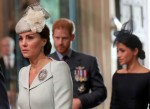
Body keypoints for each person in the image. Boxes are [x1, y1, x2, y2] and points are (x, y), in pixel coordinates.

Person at [15, 4, 73, 109]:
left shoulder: (58, 68)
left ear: (43, 41)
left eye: (30, 38)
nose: (23, 43)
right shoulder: (22, 72)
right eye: (20, 38)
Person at [50, 18, 107, 109]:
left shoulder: (89, 61)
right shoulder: (44, 62)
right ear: (52, 37)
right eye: (57, 38)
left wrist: (81, 101)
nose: (60, 42)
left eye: (64, 38)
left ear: (72, 37)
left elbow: (101, 92)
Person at [110, 21, 150, 109]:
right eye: (117, 51)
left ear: (135, 51)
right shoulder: (117, 75)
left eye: (122, 51)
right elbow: (113, 105)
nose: (118, 55)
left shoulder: (147, 76)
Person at [0, 36, 17, 109]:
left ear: (13, 47)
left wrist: (17, 91)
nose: (6, 48)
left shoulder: (22, 61)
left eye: (8, 45)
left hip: (19, 96)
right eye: (4, 46)